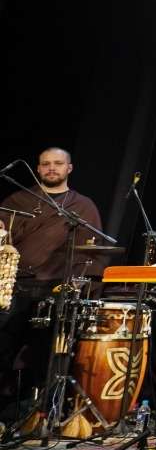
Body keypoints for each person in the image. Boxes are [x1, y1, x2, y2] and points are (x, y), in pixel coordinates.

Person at [0, 148, 105, 418]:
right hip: (13, 287)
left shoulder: (82, 207)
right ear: (37, 168)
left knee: (45, 354)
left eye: (58, 164)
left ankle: (35, 414)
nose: (51, 168)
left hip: (56, 290)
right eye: (46, 164)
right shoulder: (18, 200)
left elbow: (91, 254)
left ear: (69, 168)